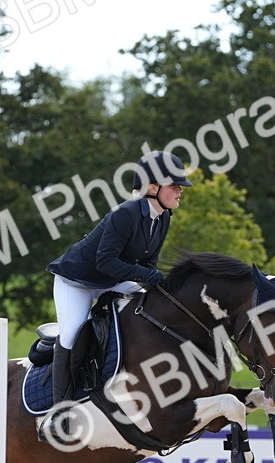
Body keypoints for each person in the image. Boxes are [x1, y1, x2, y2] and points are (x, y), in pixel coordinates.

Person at [45, 150, 192, 410]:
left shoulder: (163, 217)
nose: (180, 190)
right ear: (152, 187)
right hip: (78, 280)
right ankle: (60, 408)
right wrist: (147, 276)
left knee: (153, 306)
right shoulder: (125, 213)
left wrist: (158, 285)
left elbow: (149, 262)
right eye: (175, 185)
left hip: (113, 279)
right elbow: (105, 261)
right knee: (71, 334)